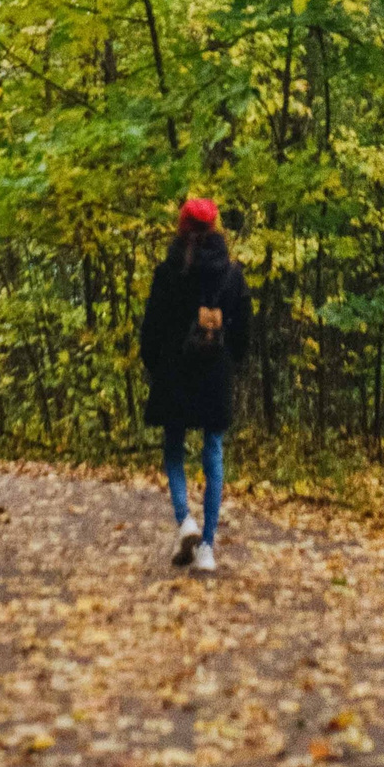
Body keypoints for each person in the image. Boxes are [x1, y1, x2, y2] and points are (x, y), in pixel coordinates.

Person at [138, 196, 251, 573]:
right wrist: (230, 360)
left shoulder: (168, 272)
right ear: (216, 228)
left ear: (182, 227)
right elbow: (244, 331)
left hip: (175, 370)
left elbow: (152, 327)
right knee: (213, 450)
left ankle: (185, 519)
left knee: (174, 446)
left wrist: (154, 364)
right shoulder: (232, 275)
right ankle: (207, 548)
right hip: (215, 373)